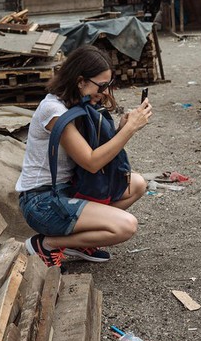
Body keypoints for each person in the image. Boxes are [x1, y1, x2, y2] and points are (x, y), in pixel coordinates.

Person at [17, 45, 151, 268]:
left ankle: (78, 243)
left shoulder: (80, 104)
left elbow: (95, 155)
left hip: (69, 189)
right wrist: (130, 131)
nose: (105, 92)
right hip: (42, 202)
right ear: (80, 82)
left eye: (109, 86)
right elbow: (91, 162)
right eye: (102, 86)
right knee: (126, 226)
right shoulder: (54, 110)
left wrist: (120, 129)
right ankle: (48, 244)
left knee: (136, 184)